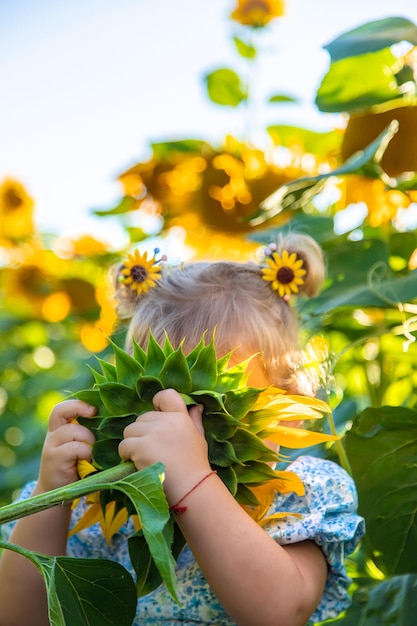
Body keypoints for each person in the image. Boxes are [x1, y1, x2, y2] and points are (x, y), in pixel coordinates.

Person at [0, 233, 365, 626]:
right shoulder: (108, 510)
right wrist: (52, 496)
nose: (179, 430)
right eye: (154, 401)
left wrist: (192, 480)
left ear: (287, 402)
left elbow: (279, 612)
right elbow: (19, 617)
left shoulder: (297, 496)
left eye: (213, 405)